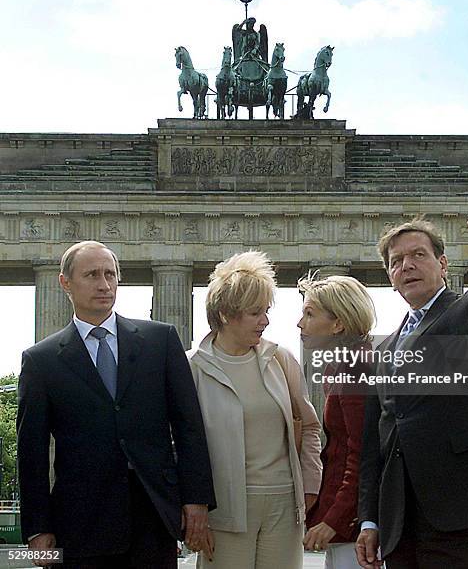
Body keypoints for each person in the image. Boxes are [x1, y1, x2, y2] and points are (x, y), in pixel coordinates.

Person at [355, 189, 468, 569]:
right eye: (396, 261)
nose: (407, 266)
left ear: (443, 264)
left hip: (466, 510)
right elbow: (376, 441)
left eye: (418, 255)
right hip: (401, 520)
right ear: (390, 277)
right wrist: (370, 518)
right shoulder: (383, 350)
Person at [17, 240, 215, 568]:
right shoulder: (41, 361)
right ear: (65, 283)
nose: (105, 285)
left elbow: (189, 426)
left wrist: (197, 501)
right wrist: (38, 530)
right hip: (78, 526)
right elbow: (32, 454)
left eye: (110, 275)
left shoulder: (161, 341)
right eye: (92, 275)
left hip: (153, 516)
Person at [187, 251, 322, 569]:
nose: (265, 321)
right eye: (254, 313)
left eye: (265, 311)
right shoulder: (190, 367)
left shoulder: (281, 359)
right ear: (224, 314)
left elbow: (311, 426)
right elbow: (179, 444)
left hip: (284, 506)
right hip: (224, 509)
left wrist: (310, 485)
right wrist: (192, 508)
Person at [298, 274, 376, 569]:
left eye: (309, 314)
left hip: (354, 527)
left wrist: (334, 518)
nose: (300, 323)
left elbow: (363, 453)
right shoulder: (340, 366)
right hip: (347, 522)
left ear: (338, 323)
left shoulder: (355, 367)